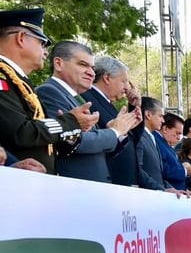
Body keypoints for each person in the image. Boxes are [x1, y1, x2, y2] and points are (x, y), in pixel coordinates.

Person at [0, 7, 89, 173]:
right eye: (42, 43)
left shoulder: (21, 82)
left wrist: (70, 134)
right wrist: (69, 122)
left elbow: (43, 142)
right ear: (21, 38)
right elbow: (20, 132)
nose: (46, 52)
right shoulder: (3, 78)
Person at [35, 41, 139, 182]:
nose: (91, 73)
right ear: (59, 64)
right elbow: (70, 141)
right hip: (72, 187)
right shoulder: (49, 91)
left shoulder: (77, 99)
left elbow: (93, 145)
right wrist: (114, 132)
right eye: (83, 65)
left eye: (92, 67)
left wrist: (117, 131)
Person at [81, 55, 143, 186]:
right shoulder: (87, 99)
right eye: (124, 81)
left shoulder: (108, 104)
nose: (128, 87)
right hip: (105, 181)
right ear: (107, 78)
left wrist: (134, 108)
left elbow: (133, 139)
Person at [156, 112, 191, 191]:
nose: (179, 138)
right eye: (177, 133)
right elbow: (163, 169)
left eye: (180, 134)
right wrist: (185, 171)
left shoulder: (167, 145)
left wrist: (181, 167)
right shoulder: (157, 142)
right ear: (165, 129)